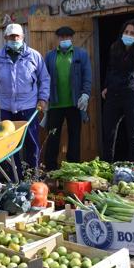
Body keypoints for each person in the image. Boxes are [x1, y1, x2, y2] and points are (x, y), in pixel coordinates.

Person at [0, 23, 50, 178]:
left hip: (29, 107)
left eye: (17, 36)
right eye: (11, 37)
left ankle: (33, 177)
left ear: (23, 37)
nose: (14, 39)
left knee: (32, 144)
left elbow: (44, 78)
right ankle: (15, 178)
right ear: (5, 38)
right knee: (10, 146)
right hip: (6, 109)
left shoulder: (33, 56)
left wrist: (43, 98)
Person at [101, 19, 134, 163]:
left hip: (132, 96)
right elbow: (110, 69)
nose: (128, 35)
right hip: (113, 96)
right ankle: (107, 168)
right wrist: (106, 86)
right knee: (109, 135)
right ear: (122, 33)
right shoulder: (115, 48)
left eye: (132, 33)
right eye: (126, 32)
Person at [43, 26, 92, 170]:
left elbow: (87, 76)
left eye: (67, 37)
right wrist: (44, 98)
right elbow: (45, 78)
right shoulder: (50, 56)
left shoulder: (81, 54)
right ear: (57, 39)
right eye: (62, 37)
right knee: (52, 139)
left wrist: (85, 94)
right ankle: (50, 169)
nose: (64, 40)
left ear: (72, 38)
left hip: (75, 104)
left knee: (74, 137)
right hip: (55, 104)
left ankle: (73, 168)